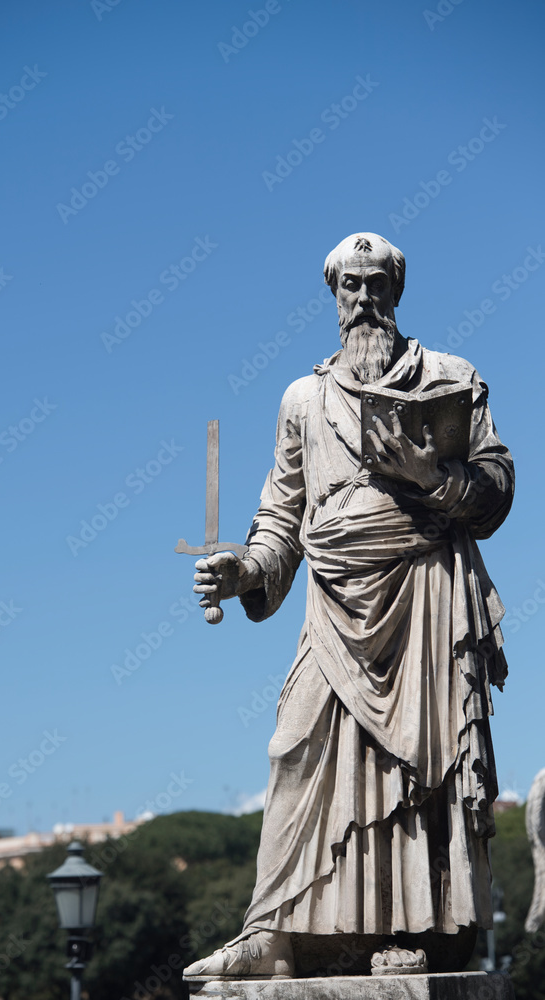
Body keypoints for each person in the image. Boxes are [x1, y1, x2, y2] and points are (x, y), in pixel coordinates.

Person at [184, 233, 514, 979]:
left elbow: (497, 486)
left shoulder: (449, 377)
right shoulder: (303, 399)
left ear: (396, 292)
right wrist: (244, 570)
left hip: (425, 591)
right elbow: (280, 517)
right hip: (334, 605)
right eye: (348, 287)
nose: (362, 299)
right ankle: (273, 932)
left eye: (375, 285)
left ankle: (413, 932)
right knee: (296, 747)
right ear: (332, 297)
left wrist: (433, 477)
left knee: (416, 768)